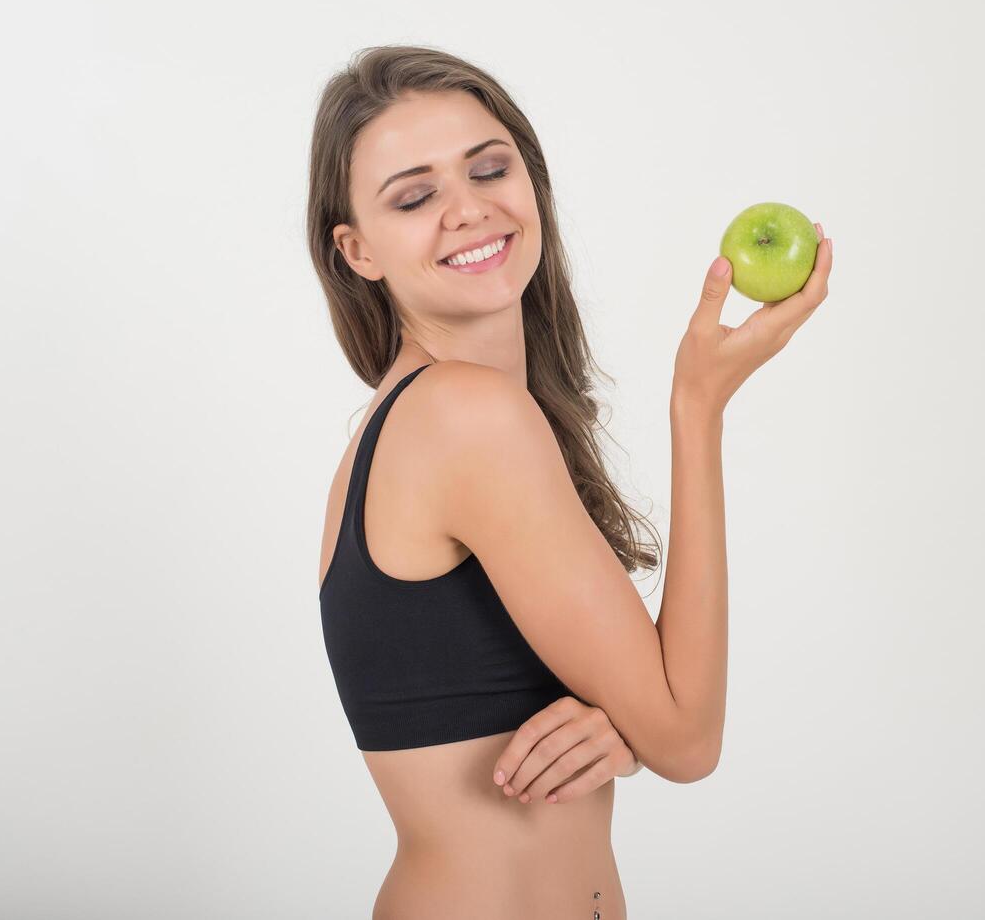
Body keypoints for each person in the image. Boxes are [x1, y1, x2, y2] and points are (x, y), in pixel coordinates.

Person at [305, 45, 831, 919]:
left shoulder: (432, 415)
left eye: (488, 168)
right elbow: (689, 738)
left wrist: (622, 730)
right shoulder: (463, 418)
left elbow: (647, 717)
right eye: (414, 195)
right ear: (356, 250)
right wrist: (696, 410)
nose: (468, 209)